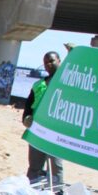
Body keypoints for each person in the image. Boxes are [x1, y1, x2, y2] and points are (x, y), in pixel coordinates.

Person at [23, 51, 65, 187]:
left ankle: (56, 193)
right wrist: (26, 118)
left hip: (57, 132)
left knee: (56, 166)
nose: (48, 64)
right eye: (46, 62)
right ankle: (30, 190)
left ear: (60, 61)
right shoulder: (38, 85)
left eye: (52, 61)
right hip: (38, 130)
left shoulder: (65, 82)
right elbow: (29, 105)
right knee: (34, 166)